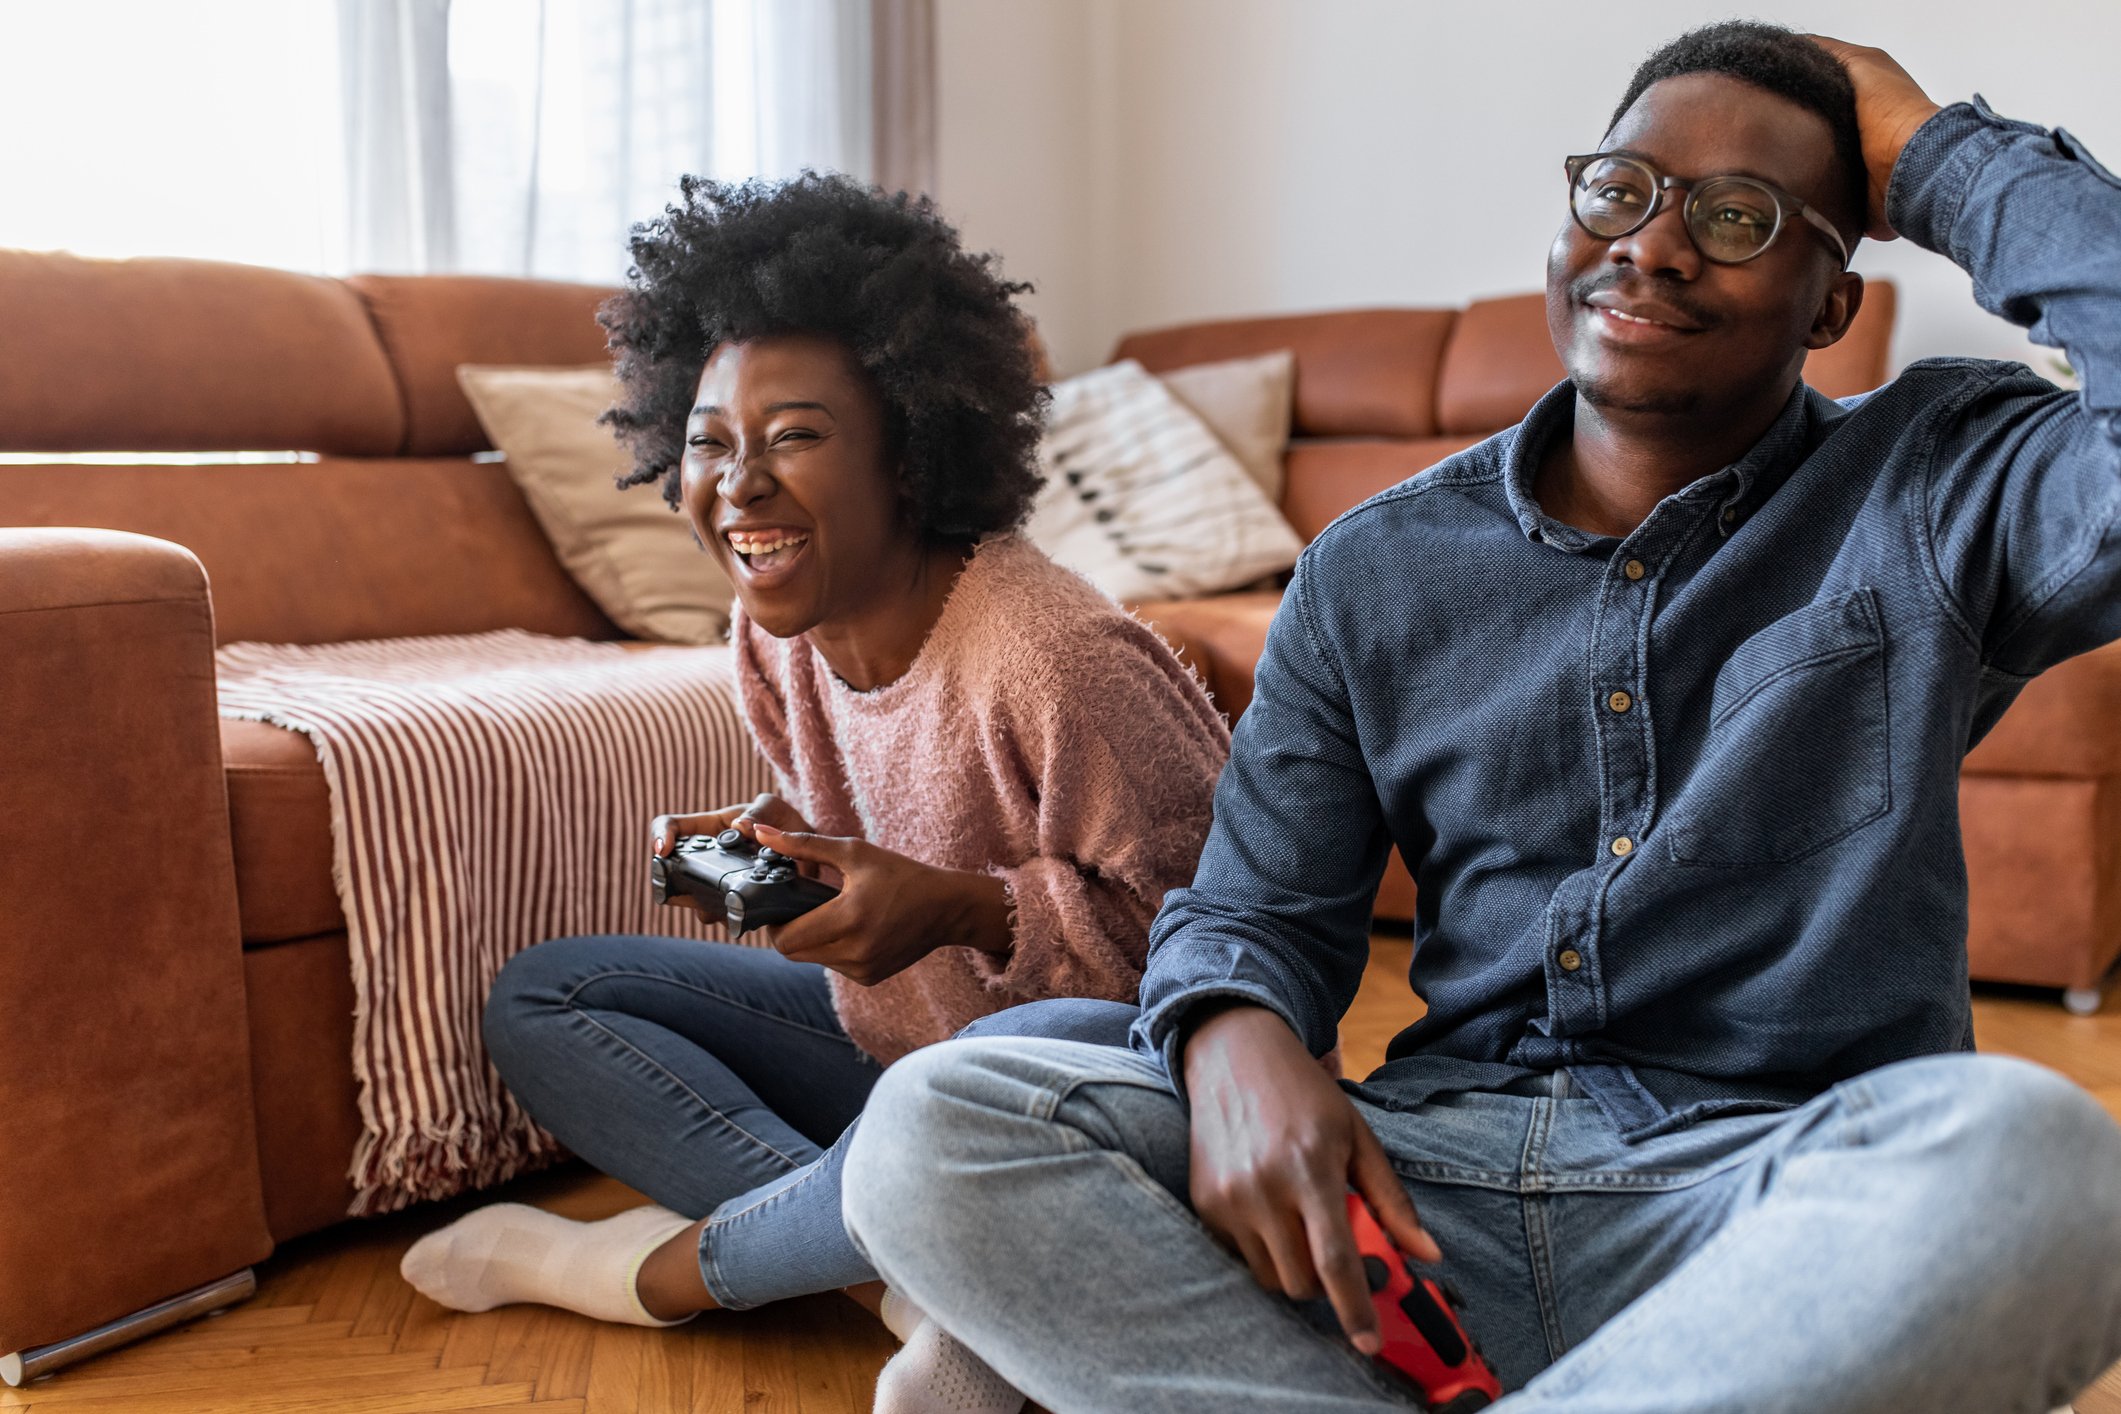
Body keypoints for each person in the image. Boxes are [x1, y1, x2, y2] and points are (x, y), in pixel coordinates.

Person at [841, 23, 2121, 1413]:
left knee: (2044, 1161)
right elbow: (1256, 911)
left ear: (1829, 302)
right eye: (1618, 190)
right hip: (1421, 1193)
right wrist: (1232, 1034)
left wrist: (1930, 149)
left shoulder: (1939, 480)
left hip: (1772, 1198)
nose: (1653, 245)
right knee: (934, 1130)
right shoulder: (1372, 567)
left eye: (1738, 216)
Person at [397, 173, 1229, 1413]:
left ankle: (646, 1269)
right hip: (896, 1048)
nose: (738, 484)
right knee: (547, 996)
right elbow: (862, 811)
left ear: (909, 444)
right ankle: (920, 1270)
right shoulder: (773, 627)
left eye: (792, 436)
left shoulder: (1051, 655)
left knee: (989, 1064)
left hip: (1080, 1092)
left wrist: (964, 911)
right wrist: (783, 844)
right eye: (709, 441)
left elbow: (1217, 971)